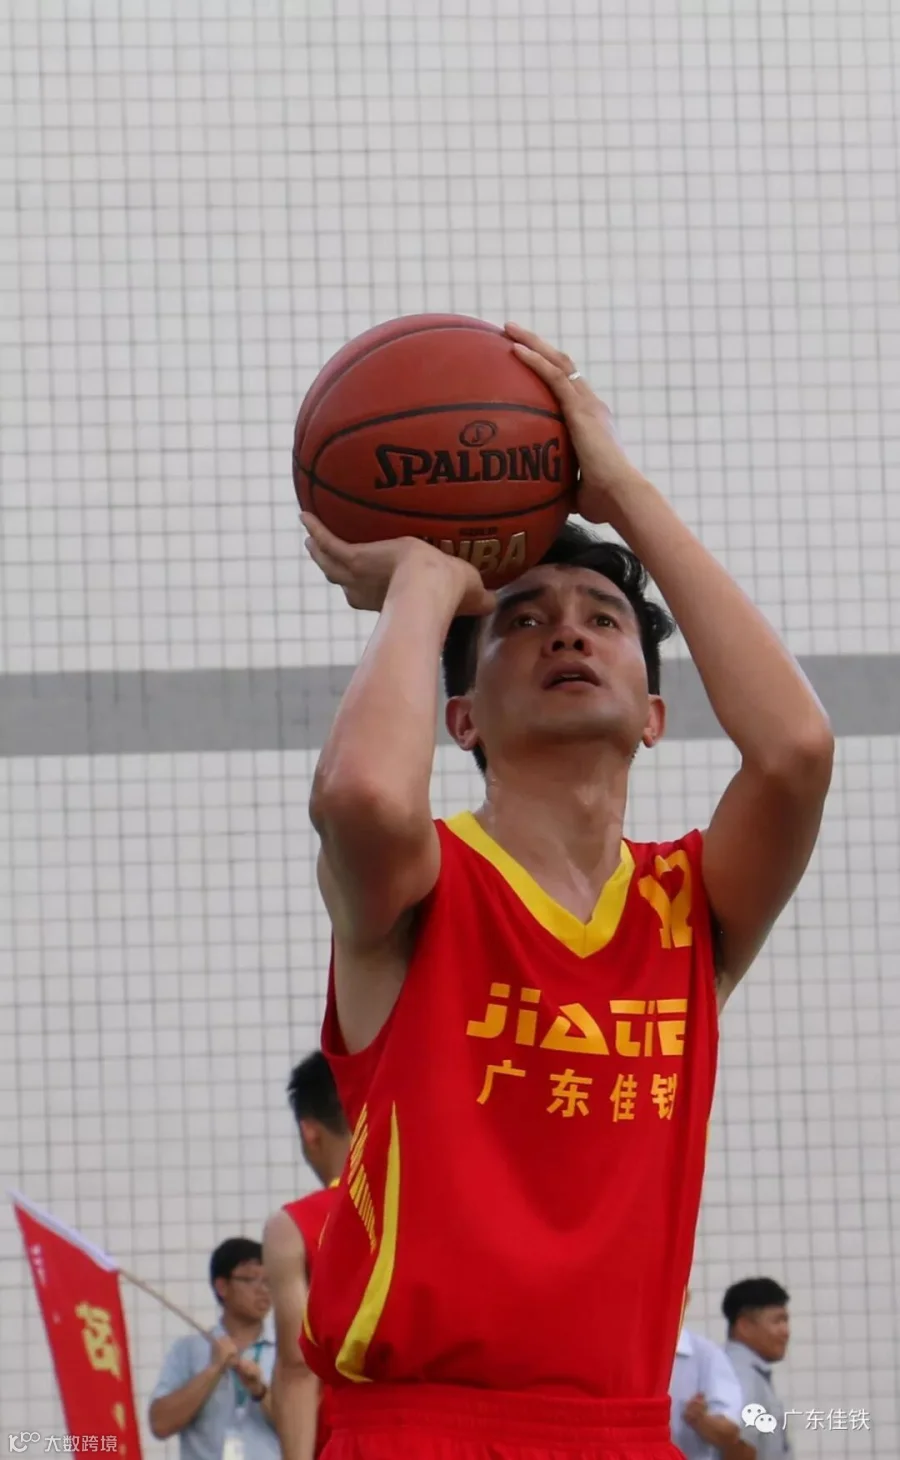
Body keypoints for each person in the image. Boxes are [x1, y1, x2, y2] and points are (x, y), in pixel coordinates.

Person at [298, 323, 833, 1460]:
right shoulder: (423, 882)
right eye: (525, 620)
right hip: (422, 1426)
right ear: (461, 718)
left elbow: (795, 751)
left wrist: (618, 487)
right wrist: (425, 581)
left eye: (604, 620)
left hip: (620, 1429)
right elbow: (361, 795)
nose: (568, 635)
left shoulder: (690, 906)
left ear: (654, 713)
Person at [264, 1053, 351, 1460]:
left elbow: (299, 1367)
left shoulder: (296, 1227)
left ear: (309, 1131)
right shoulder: (441, 1211)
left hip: (351, 1439)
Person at [148, 1237, 278, 1460]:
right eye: (251, 1279)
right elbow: (160, 1424)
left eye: (269, 1280)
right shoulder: (188, 1350)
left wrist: (261, 1392)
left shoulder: (287, 1351)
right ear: (222, 1286)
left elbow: (306, 1428)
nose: (263, 1289)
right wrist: (213, 1369)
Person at [669, 1292, 752, 1460]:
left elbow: (730, 1433)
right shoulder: (622, 1353)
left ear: (685, 1299)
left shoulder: (706, 1355)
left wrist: (701, 1420)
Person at [723, 1278, 794, 1457]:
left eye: (785, 1321)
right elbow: (739, 1449)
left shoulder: (738, 1370)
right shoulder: (741, 1376)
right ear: (744, 1326)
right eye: (777, 1321)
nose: (785, 1331)